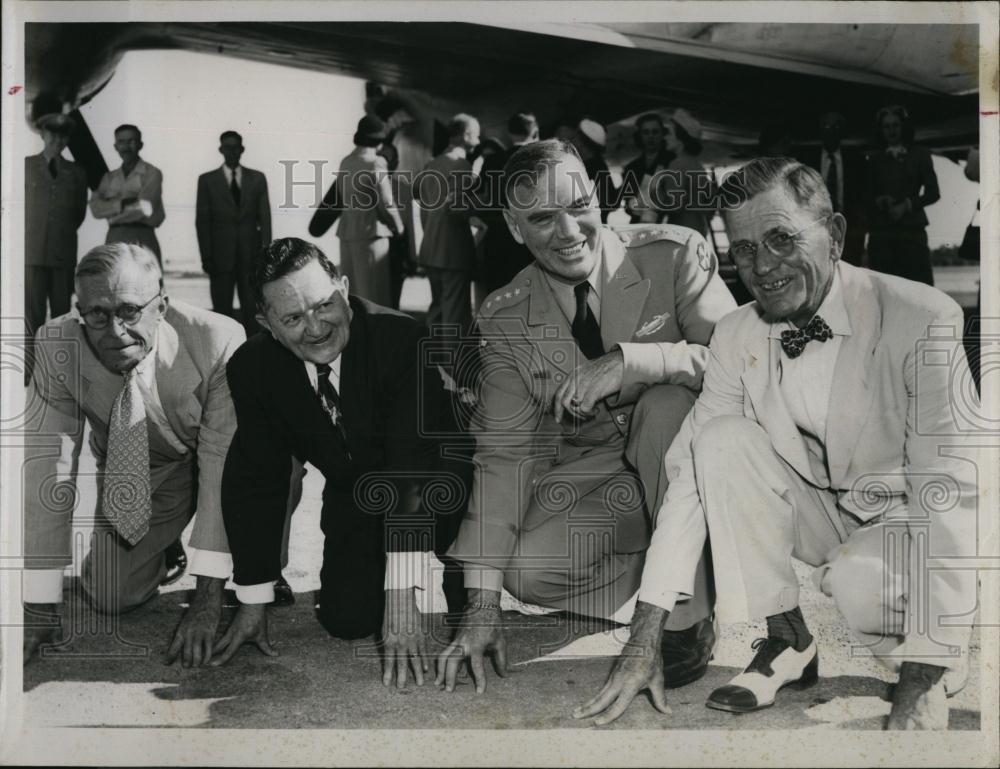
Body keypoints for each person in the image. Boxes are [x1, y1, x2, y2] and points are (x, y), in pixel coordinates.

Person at [577, 158, 978, 730]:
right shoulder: (738, 331)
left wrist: (924, 677)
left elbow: (951, 493)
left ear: (835, 235)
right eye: (743, 249)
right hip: (828, 514)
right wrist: (643, 638)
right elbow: (689, 482)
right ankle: (788, 641)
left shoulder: (923, 316)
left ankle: (940, 647)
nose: (763, 266)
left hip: (911, 523)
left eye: (781, 239)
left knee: (859, 584)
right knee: (717, 442)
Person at [437, 139, 737, 694]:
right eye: (542, 218)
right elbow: (502, 456)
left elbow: (741, 363)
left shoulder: (674, 254)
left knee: (665, 405)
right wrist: (481, 606)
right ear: (512, 225)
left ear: (597, 196)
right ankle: (674, 568)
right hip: (602, 473)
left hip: (690, 458)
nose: (569, 231)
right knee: (524, 571)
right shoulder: (505, 314)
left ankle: (688, 614)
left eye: (578, 206)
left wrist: (632, 362)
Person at [213, 238, 470, 688]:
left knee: (465, 595)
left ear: (344, 288)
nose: (315, 328)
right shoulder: (252, 369)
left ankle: (462, 573)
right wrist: (252, 598)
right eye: (293, 318)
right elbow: (257, 479)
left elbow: (409, 465)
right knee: (347, 620)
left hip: (440, 479)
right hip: (357, 491)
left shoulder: (401, 338)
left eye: (323, 305)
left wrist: (401, 591)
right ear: (266, 323)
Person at [22, 243, 247, 668]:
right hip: (144, 466)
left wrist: (207, 600)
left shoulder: (218, 338)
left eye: (129, 311)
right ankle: (164, 546)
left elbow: (221, 461)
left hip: (230, 460)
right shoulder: (57, 344)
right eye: (97, 315)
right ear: (79, 310)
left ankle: (265, 566)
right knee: (110, 596)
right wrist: (39, 600)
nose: (115, 331)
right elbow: (47, 470)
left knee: (275, 467)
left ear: (160, 306)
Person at [24, 112, 88, 379]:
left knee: (61, 313)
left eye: (63, 136)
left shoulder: (77, 172)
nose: (57, 140)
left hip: (62, 253)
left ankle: (58, 369)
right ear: (42, 134)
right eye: (53, 133)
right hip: (32, 252)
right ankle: (29, 369)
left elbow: (78, 214)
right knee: (32, 313)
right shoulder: (25, 166)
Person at [195, 130, 272, 334]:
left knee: (254, 311)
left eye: (235, 147)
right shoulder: (207, 181)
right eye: (227, 147)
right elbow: (202, 222)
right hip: (220, 258)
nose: (231, 151)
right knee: (221, 313)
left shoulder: (257, 178)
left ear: (242, 149)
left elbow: (265, 218)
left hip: (251, 258)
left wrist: (266, 255)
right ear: (220, 149)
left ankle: (255, 357)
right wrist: (207, 256)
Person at [416, 113, 481, 338]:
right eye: (477, 136)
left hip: (430, 249)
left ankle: (432, 363)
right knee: (456, 315)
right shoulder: (463, 166)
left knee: (437, 309)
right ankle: (455, 369)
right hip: (454, 251)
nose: (479, 142)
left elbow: (425, 209)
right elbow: (458, 210)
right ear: (466, 136)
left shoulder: (431, 165)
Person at [335, 115, 405, 307]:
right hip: (371, 235)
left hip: (347, 234)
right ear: (378, 141)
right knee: (375, 299)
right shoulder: (376, 163)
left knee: (354, 298)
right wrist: (399, 227)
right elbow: (386, 204)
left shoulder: (345, 162)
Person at [865, 105, 940, 285]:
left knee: (919, 288)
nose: (891, 130)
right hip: (882, 234)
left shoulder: (920, 154)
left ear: (903, 127)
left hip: (912, 233)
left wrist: (907, 205)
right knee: (885, 290)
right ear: (881, 130)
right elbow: (866, 195)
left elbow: (933, 193)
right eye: (886, 126)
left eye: (895, 125)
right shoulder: (873, 159)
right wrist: (879, 200)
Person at [477, 111, 538, 293]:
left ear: (509, 132)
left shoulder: (493, 160)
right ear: (534, 131)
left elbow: (483, 196)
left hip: (497, 236)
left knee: (499, 294)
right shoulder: (539, 160)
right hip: (529, 237)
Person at [89, 124, 166, 262]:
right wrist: (123, 203)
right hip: (114, 238)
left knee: (146, 282)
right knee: (115, 281)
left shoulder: (152, 173)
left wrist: (111, 213)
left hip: (143, 236)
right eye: (121, 142)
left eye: (131, 141)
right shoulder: (108, 178)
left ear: (140, 145)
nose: (126, 147)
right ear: (115, 147)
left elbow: (143, 208)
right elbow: (95, 209)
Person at [799, 112, 868, 266]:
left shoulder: (857, 160)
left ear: (842, 131)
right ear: (820, 130)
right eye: (826, 126)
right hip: (816, 229)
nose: (830, 131)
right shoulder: (806, 160)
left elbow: (863, 197)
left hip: (849, 231)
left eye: (835, 127)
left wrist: (860, 228)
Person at [656, 109, 715, 239]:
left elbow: (675, 205)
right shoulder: (696, 165)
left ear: (680, 139)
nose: (665, 137)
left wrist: (655, 193)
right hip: (699, 228)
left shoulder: (677, 165)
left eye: (669, 133)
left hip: (682, 232)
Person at [621, 113, 674, 224]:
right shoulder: (631, 168)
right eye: (646, 132)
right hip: (637, 225)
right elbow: (627, 204)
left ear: (662, 134)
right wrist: (632, 205)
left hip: (667, 225)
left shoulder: (672, 162)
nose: (651, 137)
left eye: (655, 132)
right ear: (639, 135)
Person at [572, 118, 619, 223]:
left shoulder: (594, 168)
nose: (572, 141)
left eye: (575, 137)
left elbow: (609, 202)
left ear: (582, 143)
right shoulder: (597, 165)